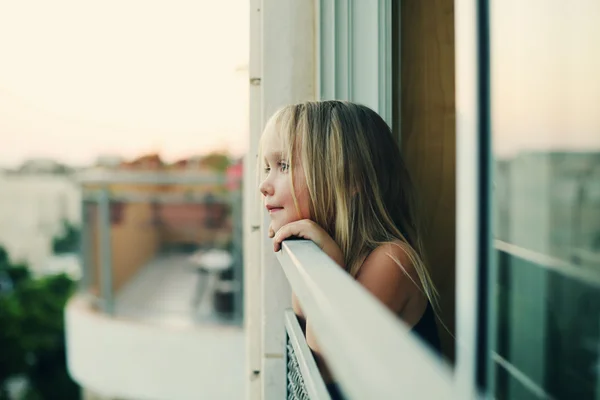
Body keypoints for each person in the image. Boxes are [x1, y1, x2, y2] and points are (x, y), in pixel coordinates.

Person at [258, 100, 441, 399]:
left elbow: (323, 370)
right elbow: (306, 331)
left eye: (284, 166)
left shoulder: (393, 261)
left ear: (350, 177)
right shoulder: (336, 250)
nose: (264, 184)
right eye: (267, 167)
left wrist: (326, 268)